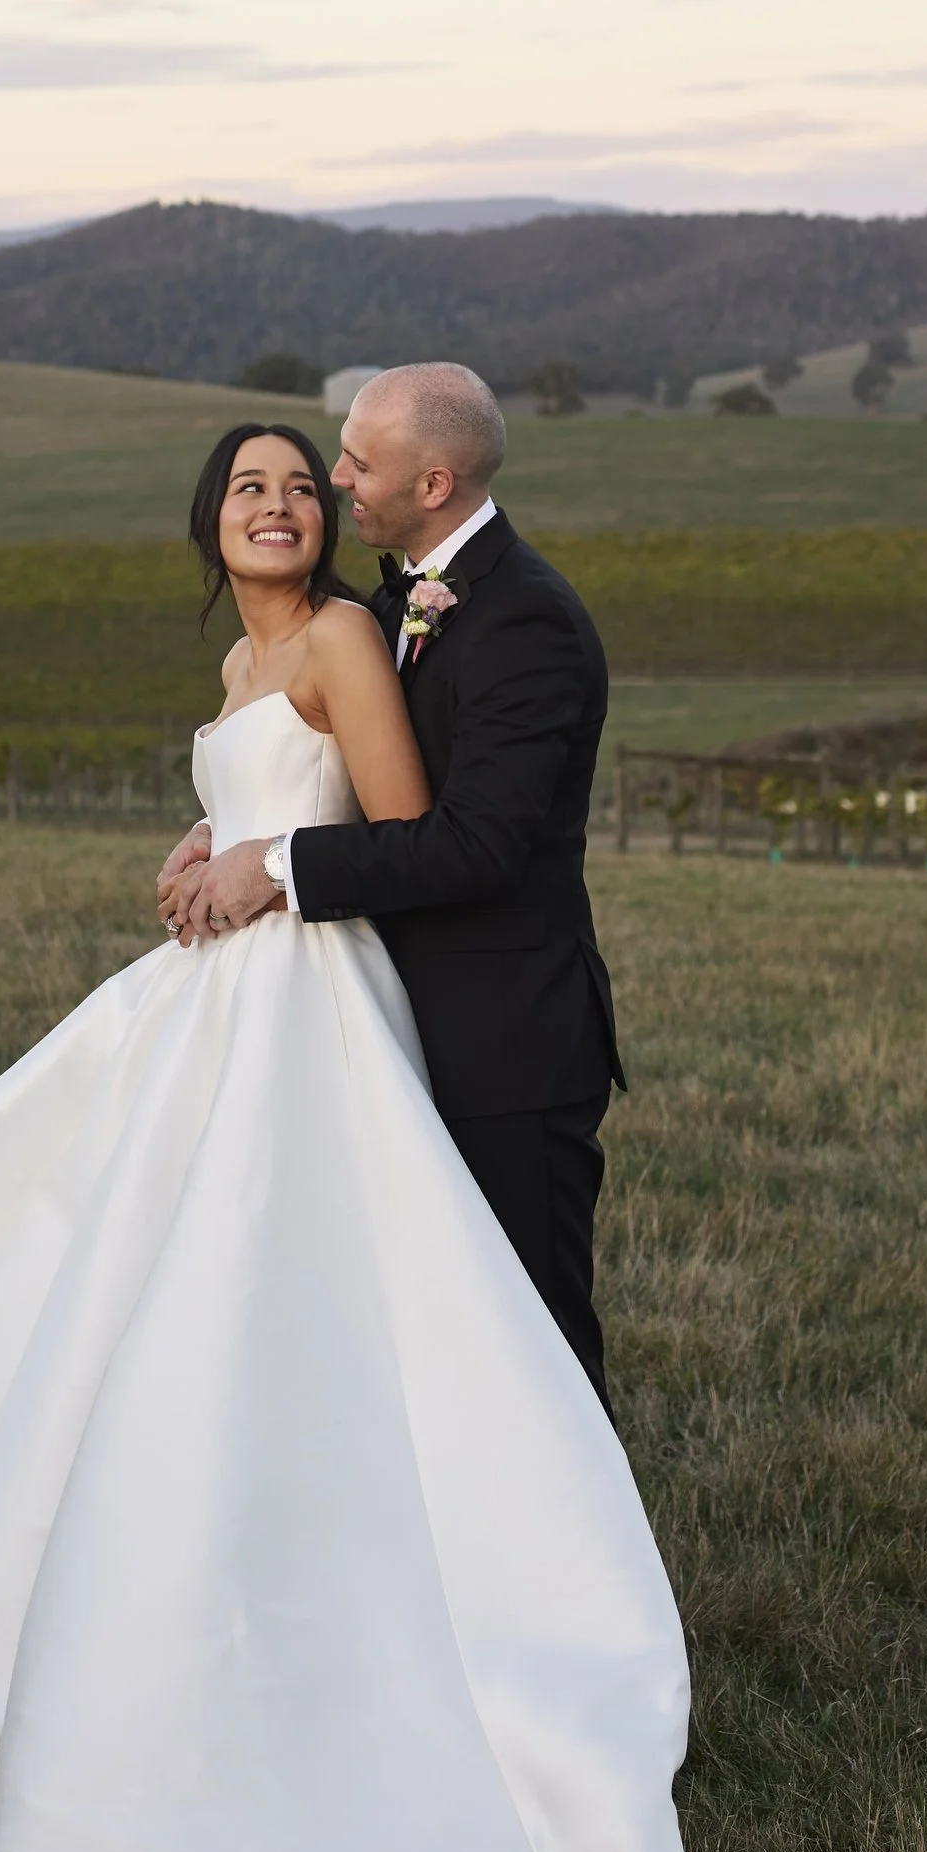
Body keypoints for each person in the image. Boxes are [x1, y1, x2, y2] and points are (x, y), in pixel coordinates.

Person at [0, 418, 686, 1852]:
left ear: (398, 494)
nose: (289, 497)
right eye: (253, 484)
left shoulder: (351, 628)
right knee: (50, 1213)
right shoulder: (244, 669)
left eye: (309, 477)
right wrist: (219, 837)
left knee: (331, 1300)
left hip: (314, 1005)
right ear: (207, 526)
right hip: (223, 996)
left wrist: (267, 858)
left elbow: (401, 827)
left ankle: (513, 1624)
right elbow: (299, 803)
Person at [162, 361, 622, 1408]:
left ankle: (575, 1566)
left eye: (359, 464)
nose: (335, 480)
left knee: (530, 1338)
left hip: (506, 1042)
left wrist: (273, 867)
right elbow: (345, 770)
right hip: (382, 1019)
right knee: (417, 1332)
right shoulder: (395, 600)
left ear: (435, 484)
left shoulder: (526, 620)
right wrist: (223, 826)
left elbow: (474, 846)